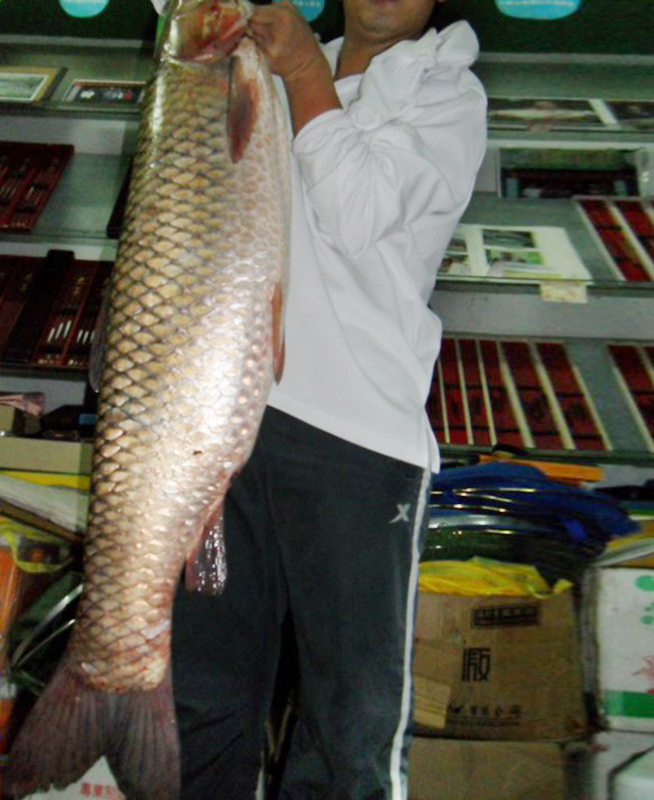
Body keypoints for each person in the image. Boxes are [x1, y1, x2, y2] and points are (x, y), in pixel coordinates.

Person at [171, 1, 487, 798]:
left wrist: (305, 71)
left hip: (357, 443)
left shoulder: (447, 92)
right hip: (232, 423)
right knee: (203, 698)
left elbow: (357, 212)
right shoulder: (272, 64)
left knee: (348, 723)